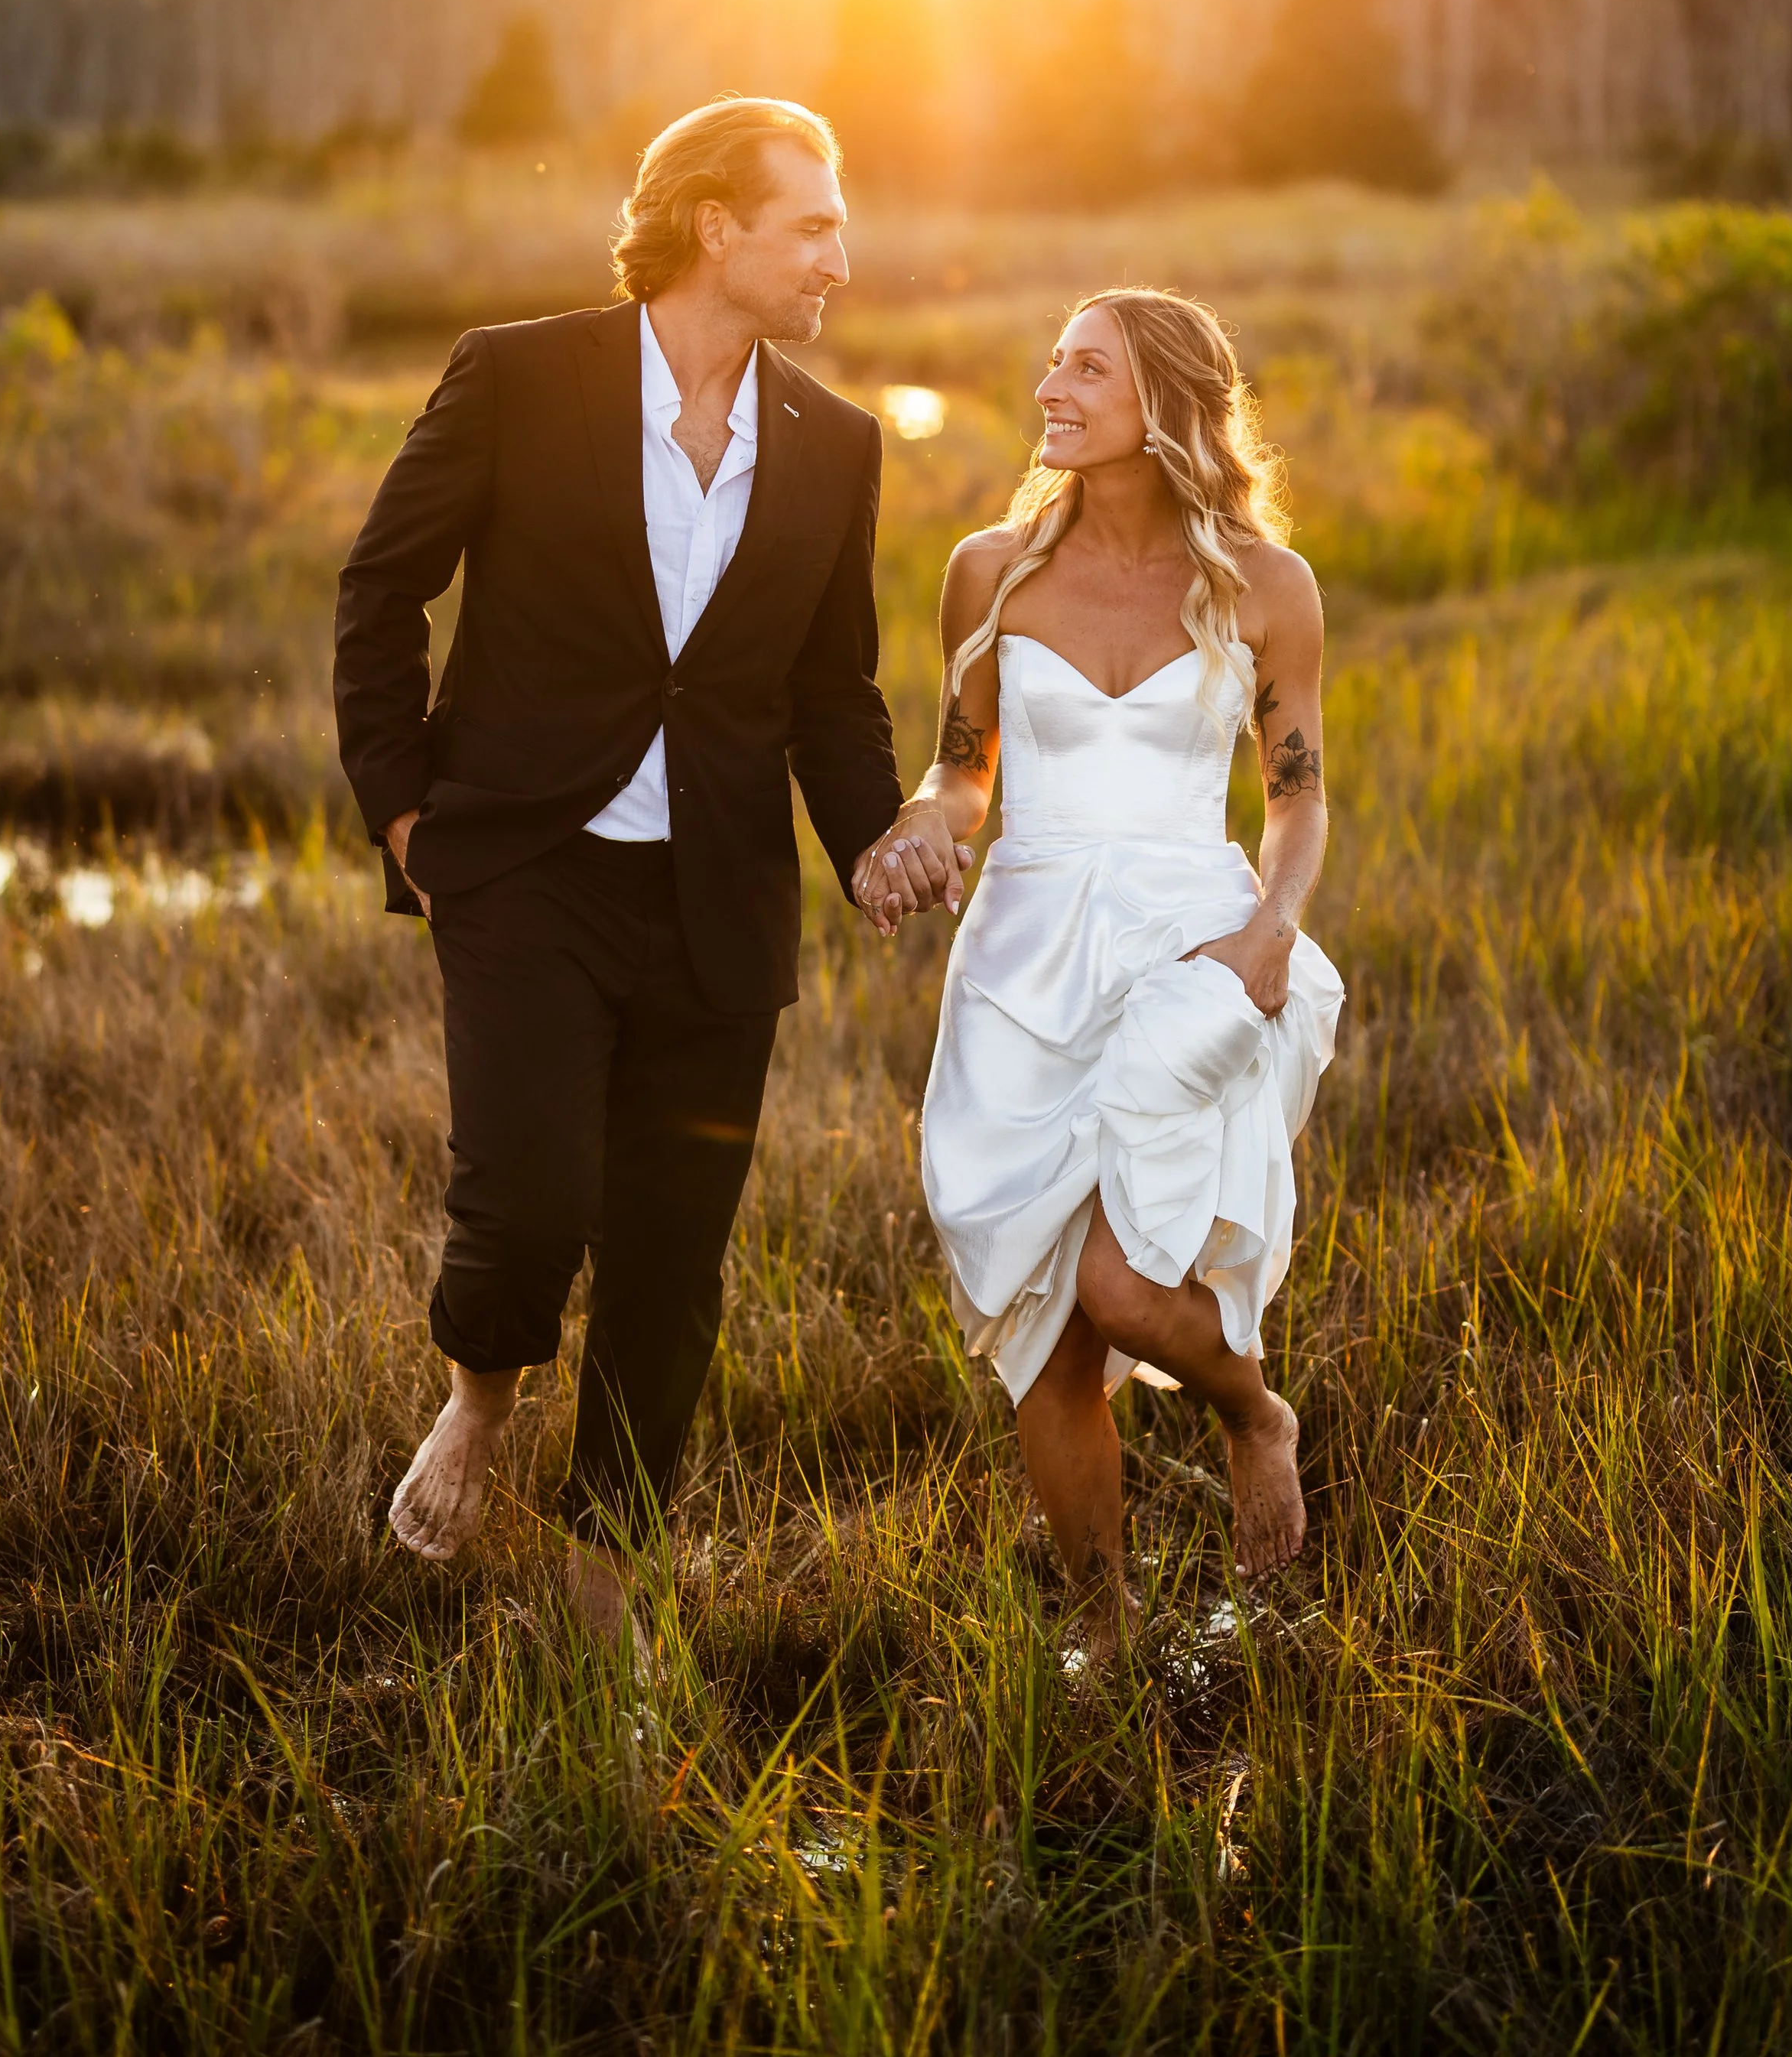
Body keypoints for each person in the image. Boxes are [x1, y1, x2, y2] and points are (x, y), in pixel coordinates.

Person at [333, 96, 965, 1639]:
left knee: (675, 1258)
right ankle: (480, 1403)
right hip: (526, 867)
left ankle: (608, 1574)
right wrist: (407, 813)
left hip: (714, 901)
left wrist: (873, 839)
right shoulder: (518, 375)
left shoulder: (836, 444)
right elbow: (380, 587)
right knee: (534, 1190)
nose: (837, 254)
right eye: (810, 223)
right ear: (713, 227)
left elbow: (828, 685)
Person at [868, 288, 1342, 1652]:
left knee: (1131, 1288)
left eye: (1088, 367)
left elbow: (1299, 794)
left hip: (1189, 950)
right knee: (1051, 1328)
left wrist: (1272, 927)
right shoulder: (991, 570)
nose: (1049, 385)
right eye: (1054, 362)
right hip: (1023, 959)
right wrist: (919, 824)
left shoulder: (1267, 585)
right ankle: (1107, 1635)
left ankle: (1256, 1412)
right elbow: (964, 778)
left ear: (1169, 404)